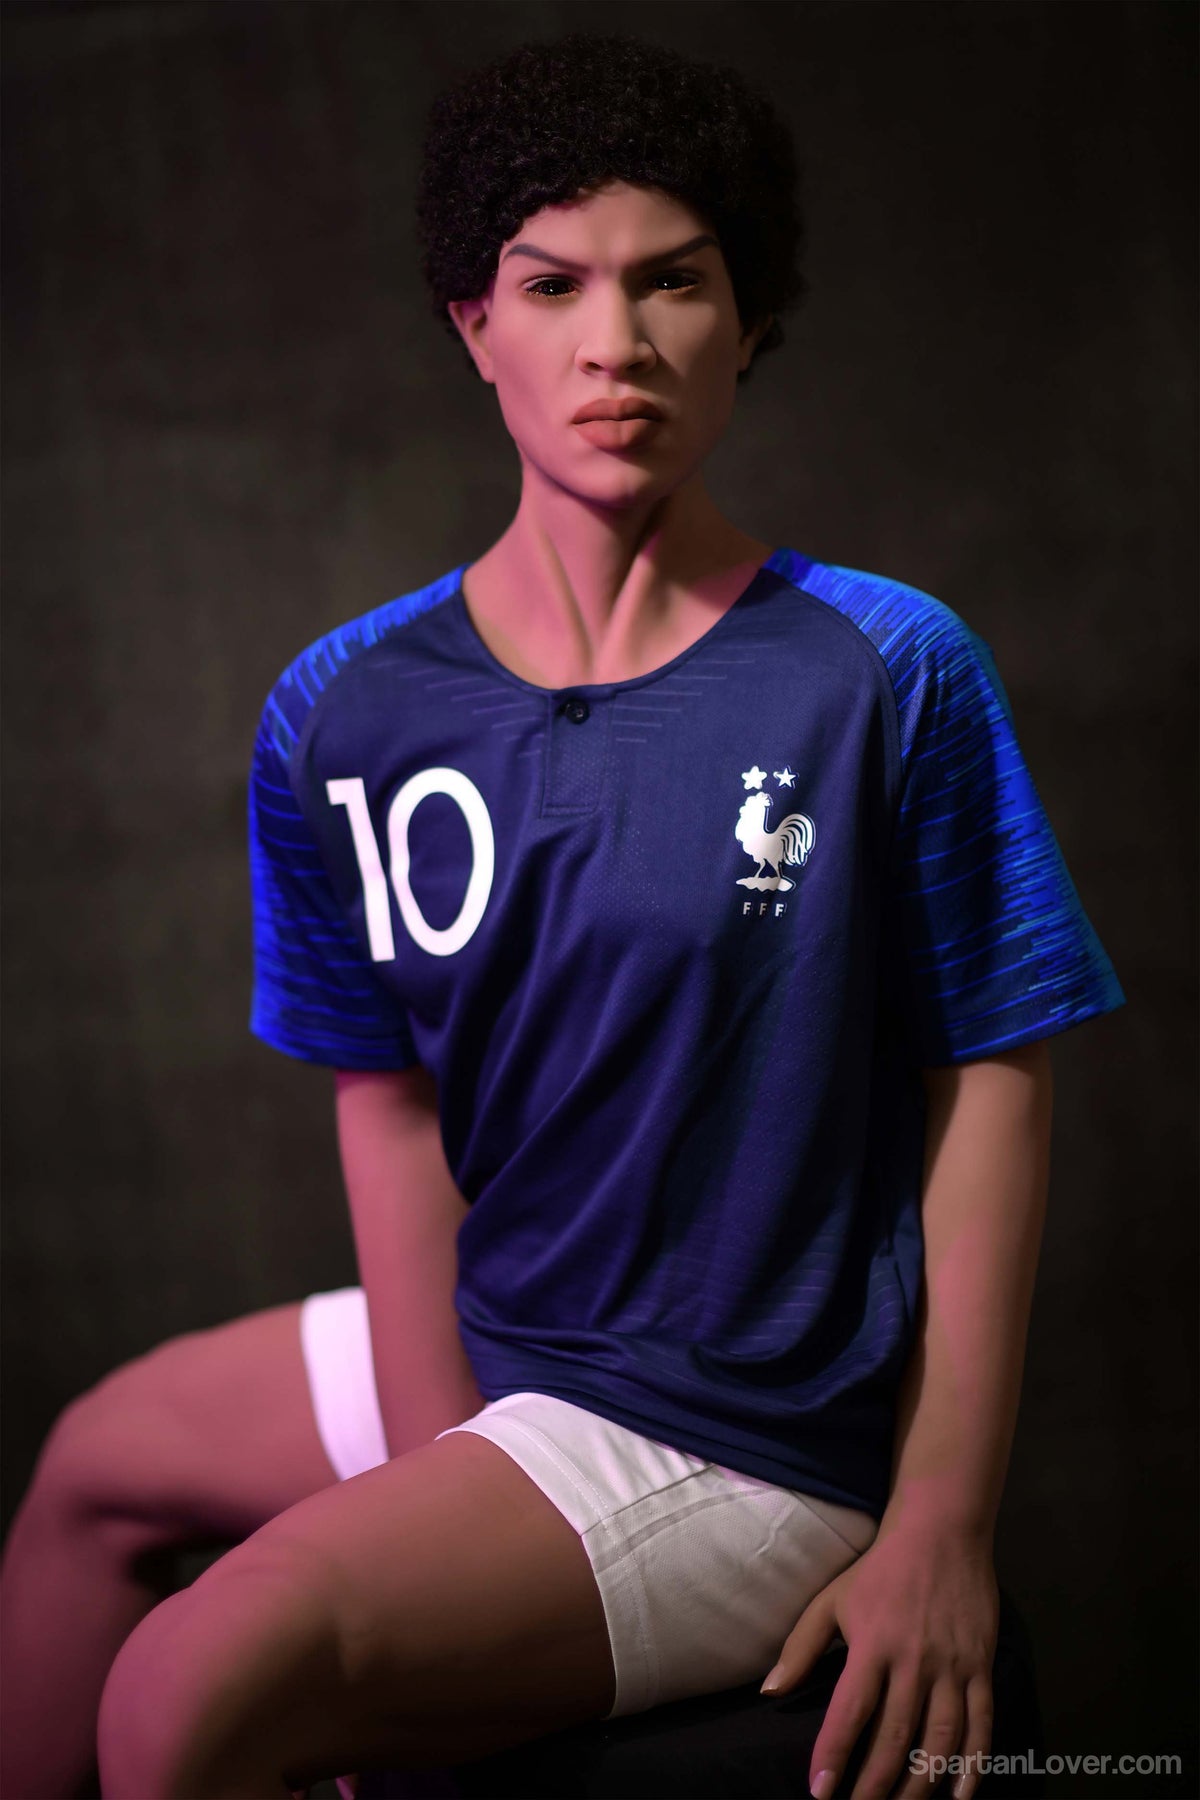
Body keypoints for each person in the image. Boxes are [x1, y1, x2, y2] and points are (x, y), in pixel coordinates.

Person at [0, 29, 1124, 1800]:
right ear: (475, 323)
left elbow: (995, 1074)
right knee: (93, 1470)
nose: (618, 341)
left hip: (734, 1406)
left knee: (181, 1693)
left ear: (749, 319)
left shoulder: (882, 666)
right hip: (517, 1324)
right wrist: (438, 1475)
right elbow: (389, 1106)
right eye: (554, 284)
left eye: (675, 279)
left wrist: (941, 1522)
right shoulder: (344, 709)